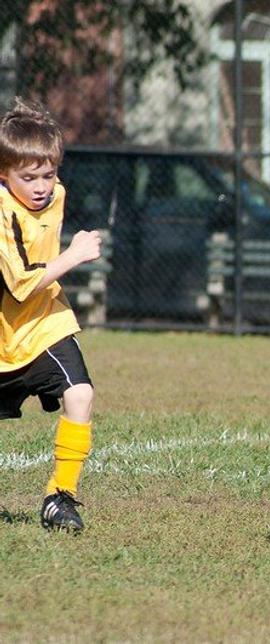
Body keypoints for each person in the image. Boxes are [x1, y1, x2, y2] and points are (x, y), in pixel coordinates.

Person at [0, 97, 103, 532]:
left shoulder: (56, 195)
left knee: (79, 394)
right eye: (29, 178)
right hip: (5, 333)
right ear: (3, 175)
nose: (42, 186)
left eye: (49, 174)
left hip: (45, 323)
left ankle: (60, 497)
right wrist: (76, 254)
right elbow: (21, 284)